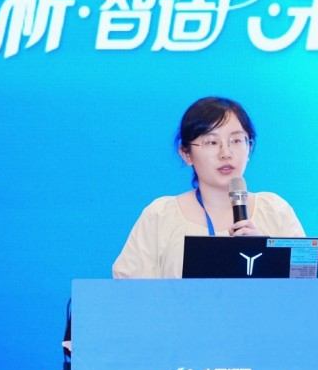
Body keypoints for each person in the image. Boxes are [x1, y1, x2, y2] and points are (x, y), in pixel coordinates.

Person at [112, 97, 305, 279]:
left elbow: (306, 286)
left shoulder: (275, 211)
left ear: (249, 148)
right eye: (212, 142)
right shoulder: (160, 215)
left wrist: (269, 256)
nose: (226, 153)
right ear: (186, 153)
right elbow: (128, 288)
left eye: (236, 140)